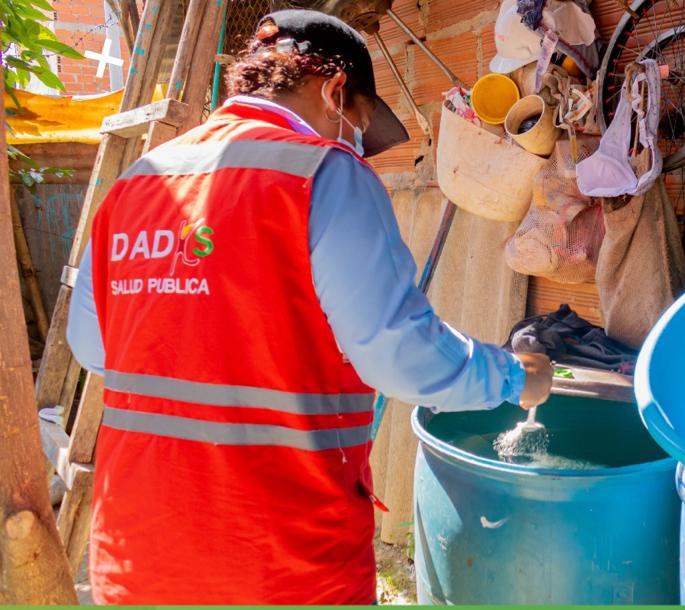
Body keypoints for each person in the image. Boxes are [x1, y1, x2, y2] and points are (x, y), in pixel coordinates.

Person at [66, 9, 553, 605]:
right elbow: (401, 354)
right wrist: (511, 375)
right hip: (278, 560)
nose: (357, 146)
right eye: (360, 123)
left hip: (135, 555)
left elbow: (93, 347)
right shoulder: (320, 172)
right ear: (332, 91)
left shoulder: (136, 184)